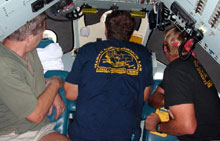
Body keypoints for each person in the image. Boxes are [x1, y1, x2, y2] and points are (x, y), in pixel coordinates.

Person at [64, 10, 153, 141]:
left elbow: (71, 94)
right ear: (132, 32)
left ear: (106, 30)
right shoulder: (143, 53)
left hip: (85, 133)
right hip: (125, 134)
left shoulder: (87, 50)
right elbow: (144, 95)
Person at [0, 13, 70, 141]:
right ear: (30, 38)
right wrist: (55, 84)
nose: (42, 36)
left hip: (39, 129)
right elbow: (35, 115)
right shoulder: (3, 65)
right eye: (41, 33)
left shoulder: (29, 51)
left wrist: (49, 88)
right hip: (12, 134)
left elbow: (25, 80)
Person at [145, 26, 220, 140]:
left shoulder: (176, 71)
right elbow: (154, 100)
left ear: (165, 48)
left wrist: (157, 126)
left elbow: (187, 127)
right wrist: (168, 99)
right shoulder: (188, 63)